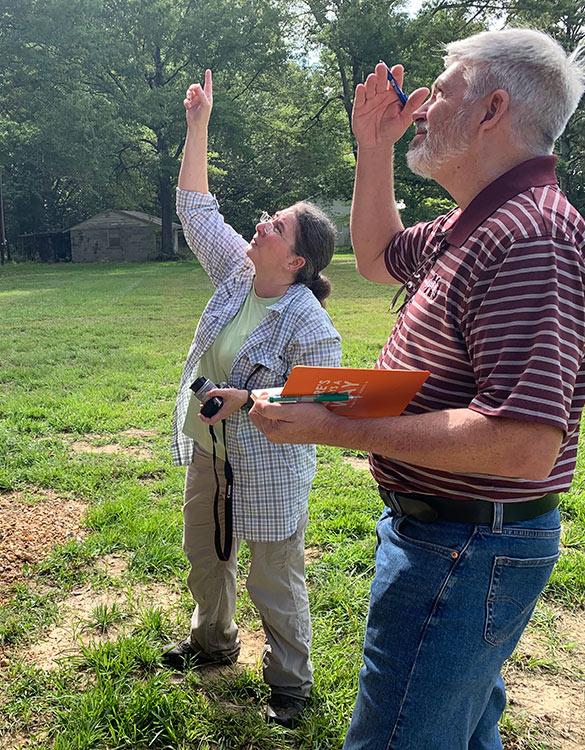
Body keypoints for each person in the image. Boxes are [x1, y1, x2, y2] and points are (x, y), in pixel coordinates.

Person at [249, 29, 585, 749]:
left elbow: (523, 445)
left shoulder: (530, 235)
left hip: (466, 545)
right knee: (461, 733)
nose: (420, 108)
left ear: (491, 108)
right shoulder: (476, 223)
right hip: (450, 536)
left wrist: (332, 426)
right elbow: (379, 256)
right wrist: (373, 148)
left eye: (440, 93)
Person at [163, 69, 341, 728]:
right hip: (212, 452)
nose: (261, 224)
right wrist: (199, 122)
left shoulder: (309, 323)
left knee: (274, 577)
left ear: (295, 261)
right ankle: (213, 643)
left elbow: (325, 403)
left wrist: (251, 396)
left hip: (270, 463)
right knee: (206, 558)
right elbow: (195, 208)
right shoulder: (240, 271)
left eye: (275, 226)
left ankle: (291, 685)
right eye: (267, 220)